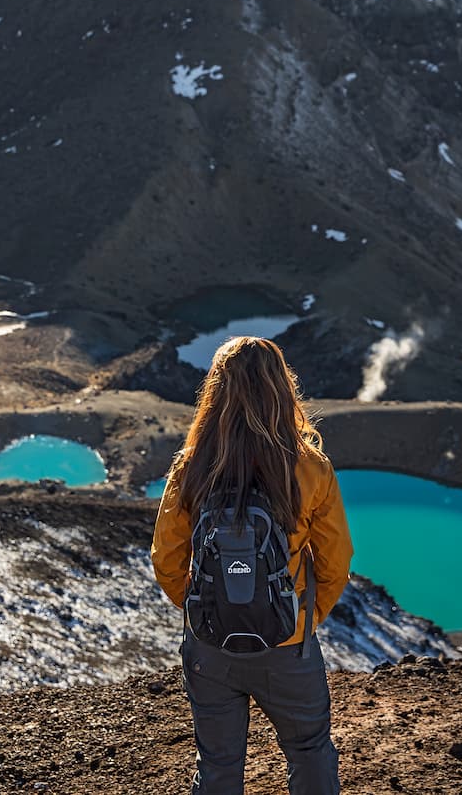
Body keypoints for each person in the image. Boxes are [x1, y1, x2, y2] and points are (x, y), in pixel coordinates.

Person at [151, 335, 354, 795]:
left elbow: (166, 559)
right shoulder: (309, 468)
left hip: (209, 647)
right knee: (309, 750)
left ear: (216, 393)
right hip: (287, 645)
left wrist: (205, 608)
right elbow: (336, 561)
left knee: (219, 766)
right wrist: (303, 619)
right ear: (282, 389)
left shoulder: (191, 467)